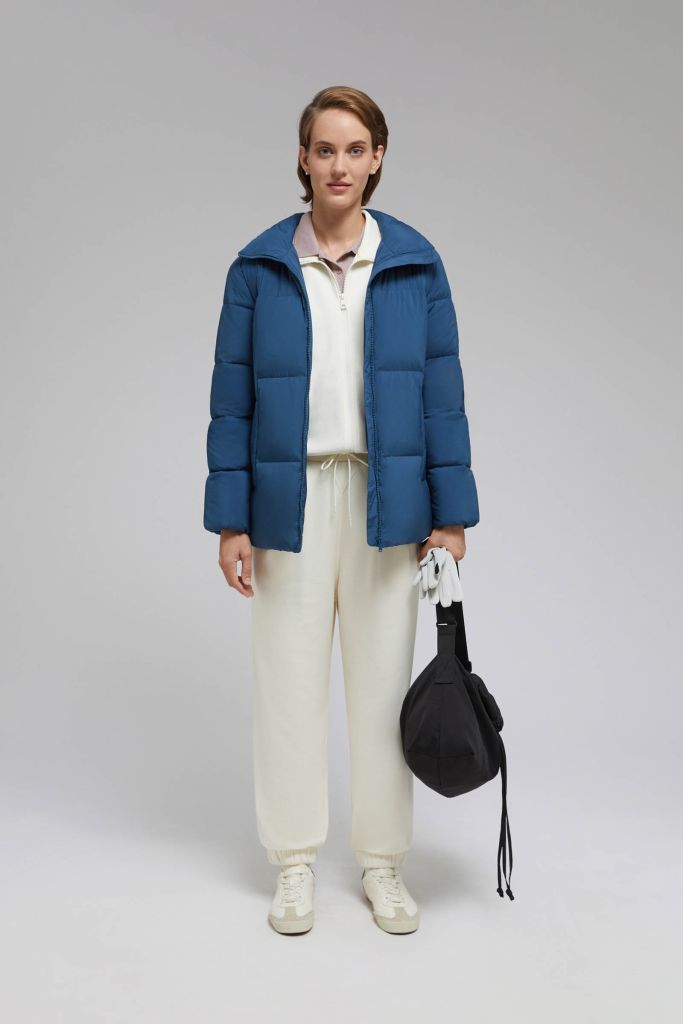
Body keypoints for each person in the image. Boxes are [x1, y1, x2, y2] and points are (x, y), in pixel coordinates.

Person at [203, 86, 479, 935]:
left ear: (378, 157)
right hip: (286, 500)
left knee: (383, 687)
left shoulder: (415, 263)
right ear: (302, 158)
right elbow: (231, 403)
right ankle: (293, 864)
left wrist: (450, 514)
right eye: (324, 149)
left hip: (386, 500)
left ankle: (382, 866)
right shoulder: (257, 268)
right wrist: (231, 521)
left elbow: (441, 394)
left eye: (355, 149)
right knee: (286, 684)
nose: (339, 165)